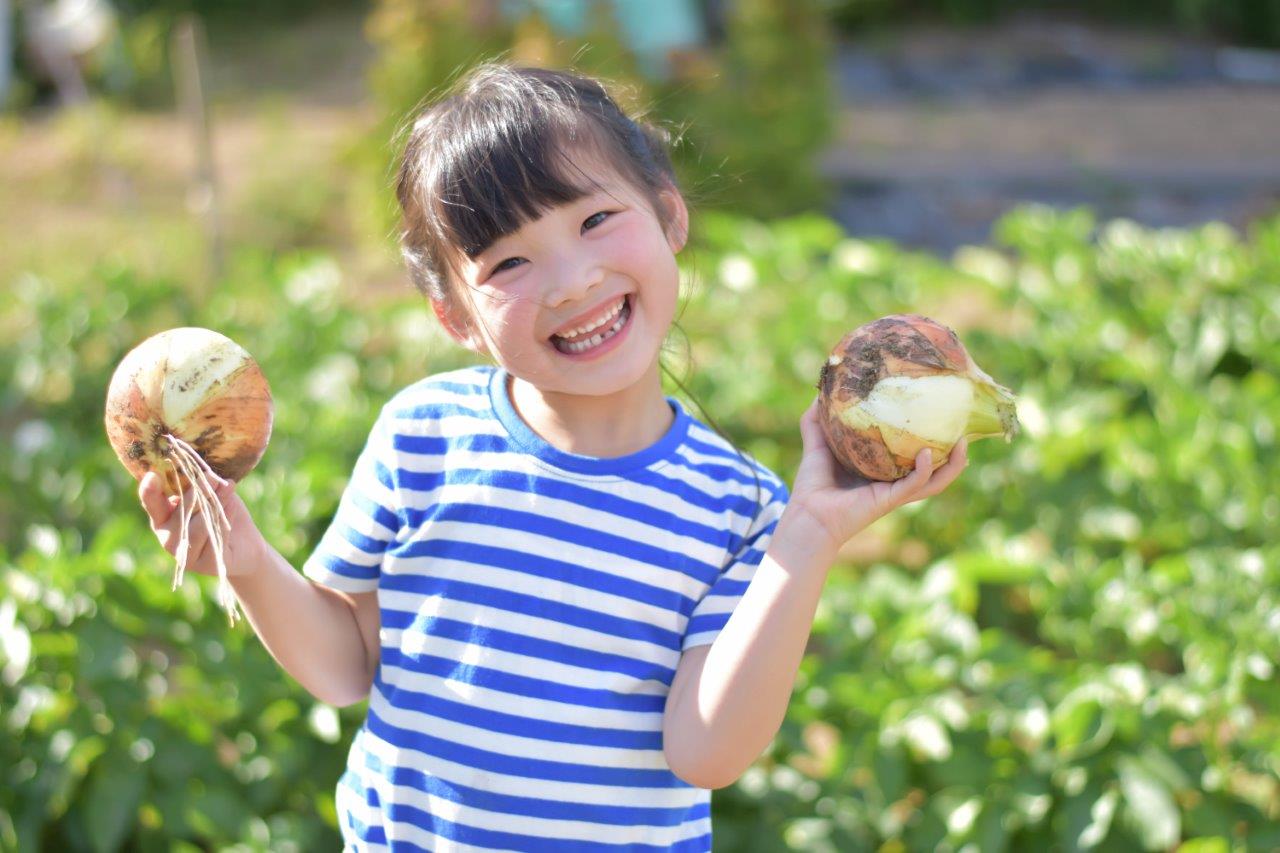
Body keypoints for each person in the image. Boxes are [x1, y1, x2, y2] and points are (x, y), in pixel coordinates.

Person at [138, 63, 969, 851]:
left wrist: (810, 535)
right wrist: (245, 560)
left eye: (595, 220)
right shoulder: (423, 434)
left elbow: (706, 752)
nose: (571, 281)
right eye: (508, 262)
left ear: (671, 217)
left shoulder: (739, 506)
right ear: (454, 317)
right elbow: (345, 665)